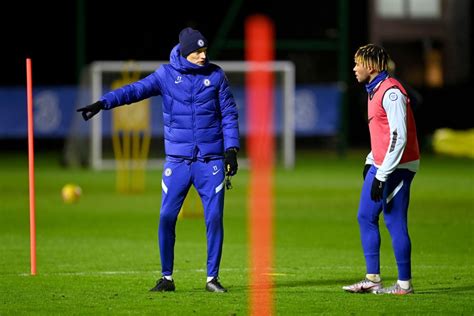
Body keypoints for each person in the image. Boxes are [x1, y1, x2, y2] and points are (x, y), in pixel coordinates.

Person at [77, 27, 240, 293]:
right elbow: (134, 91)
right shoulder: (165, 75)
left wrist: (231, 149)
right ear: (185, 52)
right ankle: (167, 278)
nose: (202, 56)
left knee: (214, 218)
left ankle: (212, 279)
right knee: (166, 217)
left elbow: (229, 114)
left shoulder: (216, 76)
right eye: (197, 51)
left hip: (210, 161)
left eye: (205, 51)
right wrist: (102, 103)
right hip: (177, 162)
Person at [342, 44, 420, 295]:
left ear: (372, 67)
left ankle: (404, 285)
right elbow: (382, 135)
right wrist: (369, 160)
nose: (354, 68)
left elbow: (400, 136)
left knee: (394, 221)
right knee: (365, 215)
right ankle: (373, 278)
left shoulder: (392, 92)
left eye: (358, 63)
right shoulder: (373, 90)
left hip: (398, 166)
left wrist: (382, 173)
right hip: (381, 163)